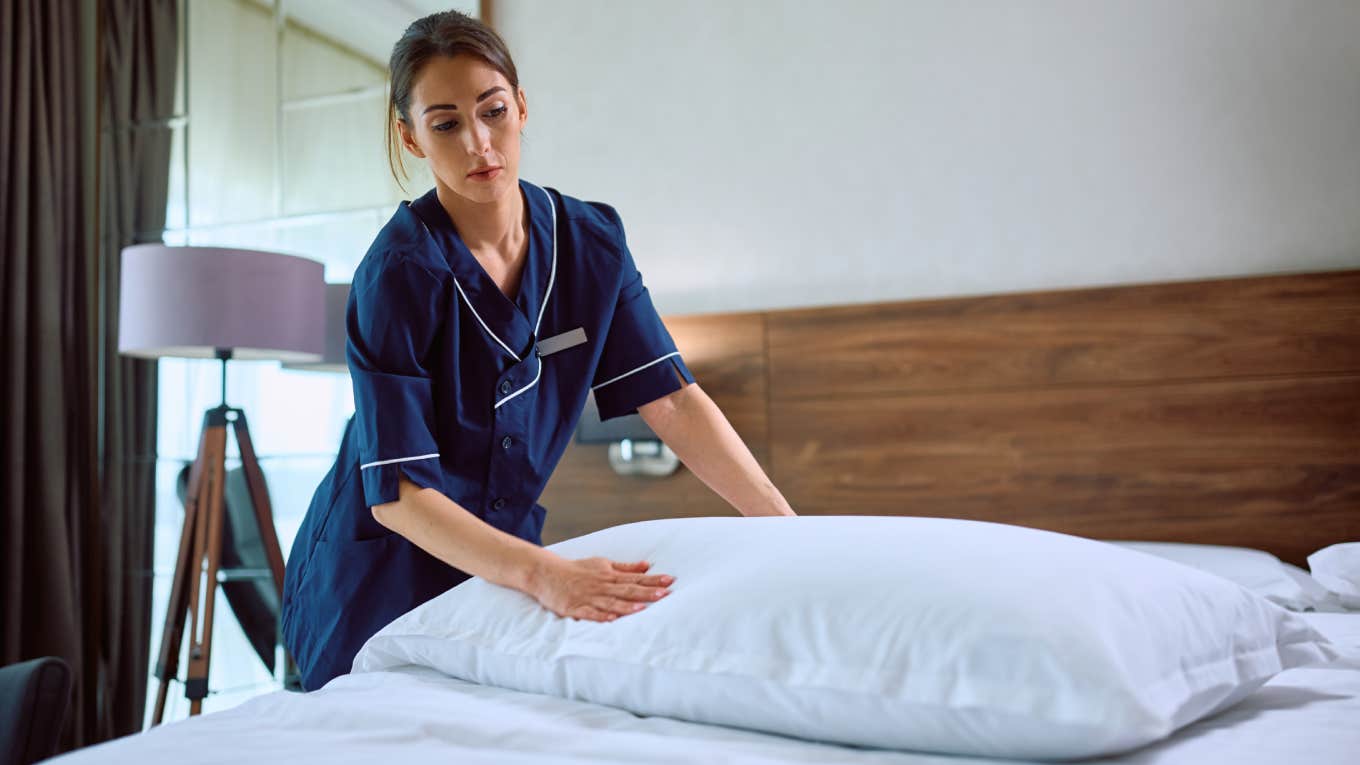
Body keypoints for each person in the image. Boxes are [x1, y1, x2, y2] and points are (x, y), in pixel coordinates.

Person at [280, 9, 797, 692]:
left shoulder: (591, 244)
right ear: (411, 137)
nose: (478, 143)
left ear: (521, 107)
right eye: (445, 124)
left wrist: (788, 531)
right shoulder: (398, 274)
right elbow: (397, 494)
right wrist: (544, 574)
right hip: (376, 578)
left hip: (508, 565)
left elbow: (672, 400)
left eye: (493, 111)